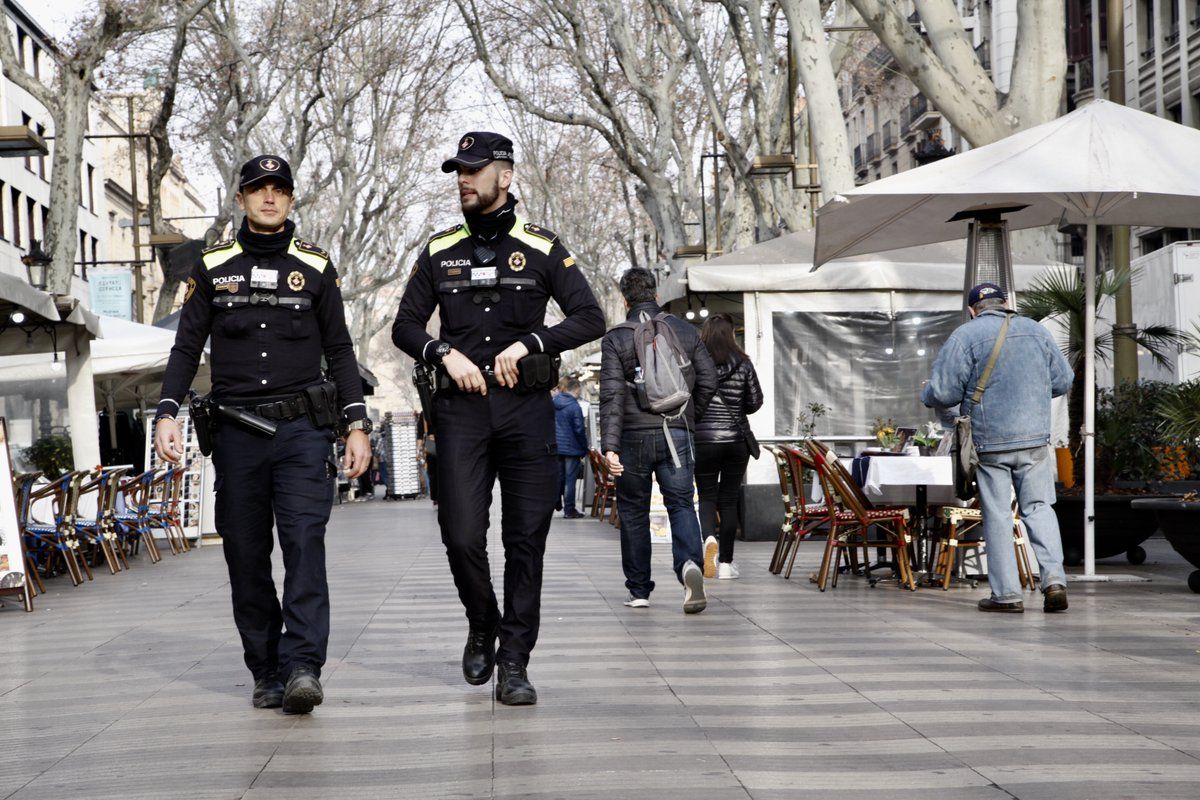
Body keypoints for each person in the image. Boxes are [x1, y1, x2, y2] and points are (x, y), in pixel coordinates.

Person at [392, 132, 604, 705]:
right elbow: (405, 326)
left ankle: (514, 661)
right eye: (458, 171)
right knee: (461, 533)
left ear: (504, 177)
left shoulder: (541, 247)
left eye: (474, 170)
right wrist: (442, 353)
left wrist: (533, 341)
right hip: (460, 413)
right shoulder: (439, 250)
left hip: (526, 412)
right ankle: (481, 621)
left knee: (525, 541)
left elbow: (590, 317)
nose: (463, 180)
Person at [154, 154, 372, 713]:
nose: (269, 198)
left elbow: (340, 351)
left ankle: (303, 666)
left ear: (292, 199)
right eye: (258, 189)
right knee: (246, 554)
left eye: (279, 189)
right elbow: (186, 346)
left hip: (302, 431)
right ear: (241, 199)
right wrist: (166, 412)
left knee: (304, 545)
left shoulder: (317, 267)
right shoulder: (212, 266)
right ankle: (266, 668)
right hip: (235, 434)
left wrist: (357, 424)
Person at [922, 282, 1074, 614]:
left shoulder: (965, 336)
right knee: (1040, 509)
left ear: (972, 309)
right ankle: (1054, 582)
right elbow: (1062, 381)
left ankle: (1006, 595)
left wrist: (926, 394)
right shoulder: (1037, 331)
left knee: (998, 514)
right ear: (1006, 303)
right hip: (1035, 439)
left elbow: (944, 393)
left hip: (990, 442)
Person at [599, 268, 716, 613]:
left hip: (632, 438)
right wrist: (689, 417)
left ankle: (639, 590)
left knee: (633, 512)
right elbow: (708, 380)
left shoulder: (615, 338)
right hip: (676, 432)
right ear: (656, 294)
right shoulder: (684, 330)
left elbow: (611, 397)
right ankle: (689, 565)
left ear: (624, 299)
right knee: (681, 504)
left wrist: (610, 446)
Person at [693, 313, 763, 580]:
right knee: (729, 499)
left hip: (703, 440)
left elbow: (689, 399)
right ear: (731, 334)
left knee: (707, 497)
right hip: (736, 441)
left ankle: (709, 538)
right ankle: (725, 564)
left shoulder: (696, 363)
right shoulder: (743, 363)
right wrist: (737, 405)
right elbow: (755, 402)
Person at [553, 377, 589, 518]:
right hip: (571, 448)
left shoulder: (553, 402)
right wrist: (584, 447)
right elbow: (579, 429)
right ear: (576, 389)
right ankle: (569, 510)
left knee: (559, 477)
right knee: (570, 480)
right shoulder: (574, 406)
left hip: (556, 447)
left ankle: (556, 500)